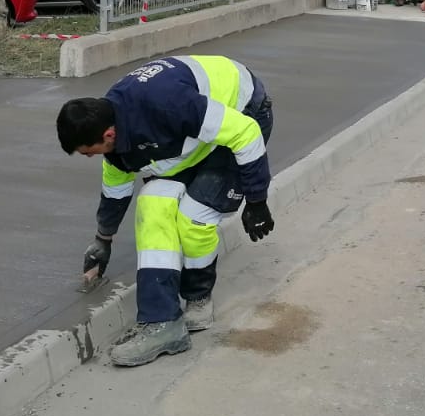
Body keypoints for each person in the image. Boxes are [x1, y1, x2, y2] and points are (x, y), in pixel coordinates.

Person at [57, 54, 276, 368]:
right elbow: (115, 192)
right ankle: (162, 323)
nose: (91, 158)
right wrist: (103, 240)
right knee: (152, 202)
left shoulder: (167, 106)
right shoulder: (117, 139)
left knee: (194, 216)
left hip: (243, 112)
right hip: (195, 132)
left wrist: (257, 201)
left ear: (108, 135)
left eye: (89, 152)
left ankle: (198, 296)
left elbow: (245, 133)